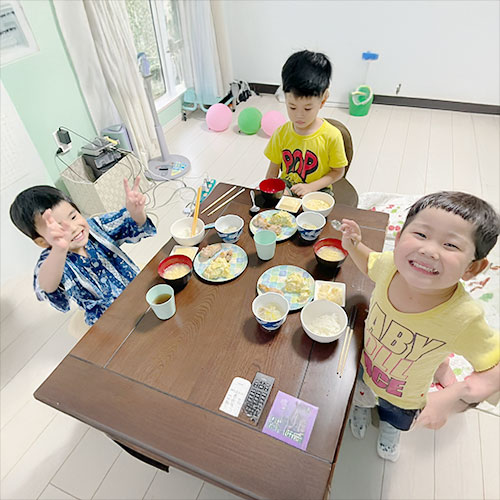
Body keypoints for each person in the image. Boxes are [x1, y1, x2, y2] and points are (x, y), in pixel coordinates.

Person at [340, 191, 500, 462]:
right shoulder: (391, 267)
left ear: (472, 268)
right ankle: (362, 408)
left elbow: (493, 369)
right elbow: (369, 263)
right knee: (362, 397)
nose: (429, 250)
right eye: (421, 235)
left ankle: (390, 430)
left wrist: (454, 394)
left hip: (406, 395)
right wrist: (352, 244)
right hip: (366, 366)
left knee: (395, 418)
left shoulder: (464, 317)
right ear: (398, 239)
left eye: (450, 245)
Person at [9, 177, 156, 326]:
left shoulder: (96, 227)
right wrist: (59, 250)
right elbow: (47, 286)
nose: (73, 228)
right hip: (109, 321)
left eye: (73, 217)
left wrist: (137, 213)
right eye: (60, 229)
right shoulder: (53, 261)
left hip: (140, 290)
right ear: (42, 241)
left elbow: (133, 224)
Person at [264, 50, 347, 197]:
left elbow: (338, 172)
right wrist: (273, 190)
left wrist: (310, 187)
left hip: (319, 189)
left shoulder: (332, 136)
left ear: (323, 100)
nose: (299, 115)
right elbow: (272, 171)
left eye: (307, 108)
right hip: (288, 187)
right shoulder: (281, 133)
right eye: (292, 107)